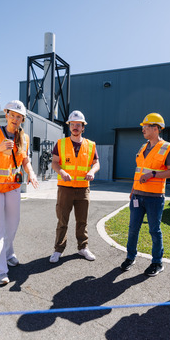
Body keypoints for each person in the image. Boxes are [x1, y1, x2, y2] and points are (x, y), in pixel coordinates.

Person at [0, 100, 39, 285]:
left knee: (12, 224)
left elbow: (25, 160)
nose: (15, 119)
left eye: (18, 116)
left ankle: (8, 252)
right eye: (12, 115)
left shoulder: (24, 138)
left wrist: (32, 173)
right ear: (6, 114)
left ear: (22, 120)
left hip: (12, 186)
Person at [120, 112, 170, 276]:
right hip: (137, 195)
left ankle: (157, 262)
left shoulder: (167, 148)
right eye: (143, 126)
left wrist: (152, 175)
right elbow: (138, 172)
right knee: (133, 228)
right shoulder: (143, 147)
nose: (143, 129)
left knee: (154, 230)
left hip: (154, 197)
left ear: (156, 128)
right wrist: (133, 192)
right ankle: (130, 257)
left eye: (145, 126)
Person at [50, 110, 100, 263]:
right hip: (65, 188)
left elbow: (96, 163)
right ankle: (58, 249)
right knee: (62, 220)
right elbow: (54, 163)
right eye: (73, 124)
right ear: (69, 126)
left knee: (82, 221)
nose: (75, 127)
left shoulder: (90, 145)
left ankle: (83, 248)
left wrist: (92, 171)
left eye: (79, 125)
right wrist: (62, 171)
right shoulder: (61, 143)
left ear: (83, 127)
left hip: (83, 188)